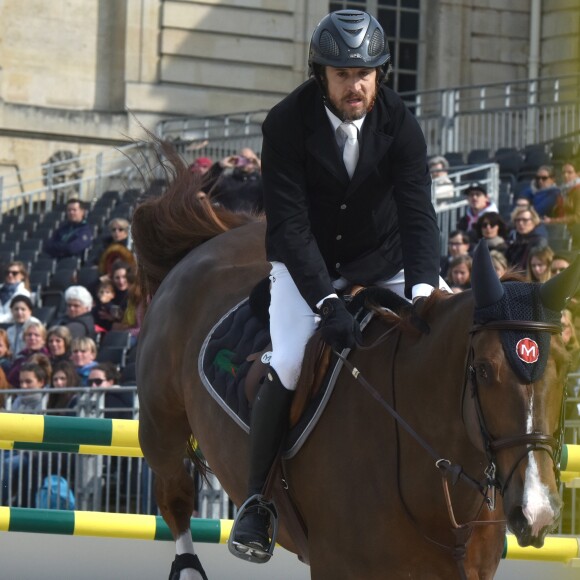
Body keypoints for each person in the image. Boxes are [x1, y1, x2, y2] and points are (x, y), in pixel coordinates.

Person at [230, 10, 450, 558]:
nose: (356, 85)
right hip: (308, 265)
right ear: (320, 74)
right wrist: (327, 300)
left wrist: (424, 296)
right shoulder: (285, 123)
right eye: (343, 74)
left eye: (365, 74)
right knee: (287, 361)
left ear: (378, 74)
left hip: (387, 259)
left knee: (447, 339)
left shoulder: (400, 120)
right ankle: (256, 503)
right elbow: (290, 224)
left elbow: (419, 215)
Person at [206, 147, 264, 213]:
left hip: (254, 222)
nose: (246, 161)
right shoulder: (226, 180)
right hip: (230, 221)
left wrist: (263, 168)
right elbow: (206, 187)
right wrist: (219, 166)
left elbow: (273, 194)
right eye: (242, 158)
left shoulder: (261, 182)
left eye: (250, 159)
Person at [544, 162, 580, 250]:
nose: (565, 175)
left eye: (569, 172)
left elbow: (577, 217)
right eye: (563, 172)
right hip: (560, 227)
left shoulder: (578, 191)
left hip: (572, 229)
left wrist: (553, 221)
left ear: (578, 174)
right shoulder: (563, 190)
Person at [6, 320, 50, 387]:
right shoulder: (20, 356)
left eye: (37, 335)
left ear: (43, 340)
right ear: (24, 338)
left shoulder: (46, 358)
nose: (32, 338)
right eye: (29, 335)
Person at [505, 206, 548, 272]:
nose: (520, 223)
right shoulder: (513, 239)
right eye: (517, 220)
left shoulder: (539, 241)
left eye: (525, 220)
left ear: (534, 221)